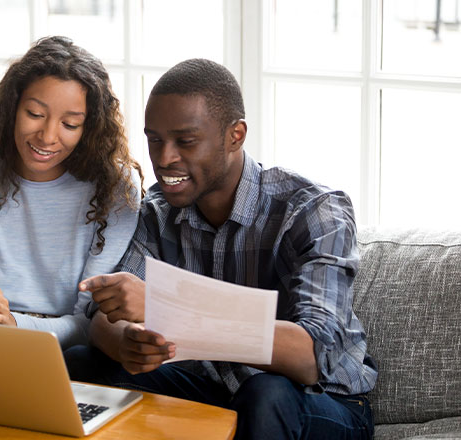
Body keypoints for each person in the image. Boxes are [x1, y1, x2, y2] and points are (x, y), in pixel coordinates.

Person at [67, 59, 377, 439]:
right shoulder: (157, 213)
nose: (164, 159)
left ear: (235, 135)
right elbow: (104, 318)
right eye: (154, 140)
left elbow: (312, 357)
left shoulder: (313, 211)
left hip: (317, 402)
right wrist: (127, 342)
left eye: (186, 141)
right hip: (216, 393)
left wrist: (169, 307)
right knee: (84, 363)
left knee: (265, 393)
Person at [0, 36, 143, 349]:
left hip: (67, 349)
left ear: (88, 128)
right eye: (35, 115)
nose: (48, 136)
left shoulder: (117, 187)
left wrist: (13, 324)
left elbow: (88, 322)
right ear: (12, 109)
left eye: (69, 123)